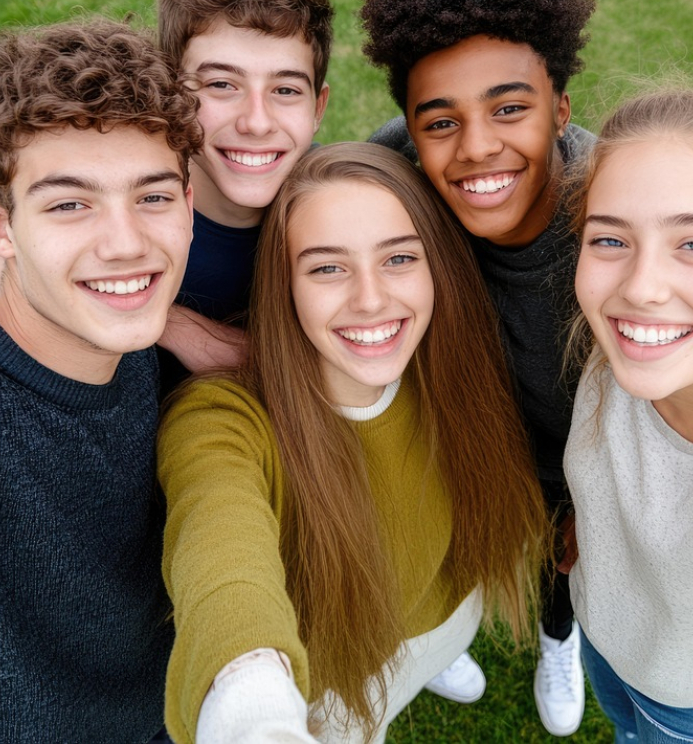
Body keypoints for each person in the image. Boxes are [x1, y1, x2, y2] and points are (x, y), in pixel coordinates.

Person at [158, 143, 548, 744]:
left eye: (398, 259)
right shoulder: (223, 419)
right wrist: (252, 701)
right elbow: (220, 547)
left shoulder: (450, 360)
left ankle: (437, 661)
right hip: (340, 679)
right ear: (283, 284)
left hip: (447, 615)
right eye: (327, 268)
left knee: (432, 650)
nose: (370, 299)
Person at [0, 19, 199, 742]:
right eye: (69, 203)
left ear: (189, 204)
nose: (126, 243)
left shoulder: (132, 347)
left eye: (153, 196)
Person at [358, 0, 596, 737]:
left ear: (561, 106)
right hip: (464, 434)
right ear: (412, 135)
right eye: (441, 121)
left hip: (580, 450)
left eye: (509, 107)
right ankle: (440, 631)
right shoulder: (389, 178)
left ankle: (558, 632)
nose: (477, 148)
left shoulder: (618, 213)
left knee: (565, 553)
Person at [0, 0, 333, 375]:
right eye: (221, 85)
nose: (256, 122)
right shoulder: (133, 195)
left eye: (285, 90)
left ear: (317, 107)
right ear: (171, 87)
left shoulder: (329, 196)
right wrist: (187, 332)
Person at [565, 88, 693, 743]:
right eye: (610, 238)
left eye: (691, 244)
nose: (641, 285)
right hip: (604, 633)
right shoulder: (618, 352)